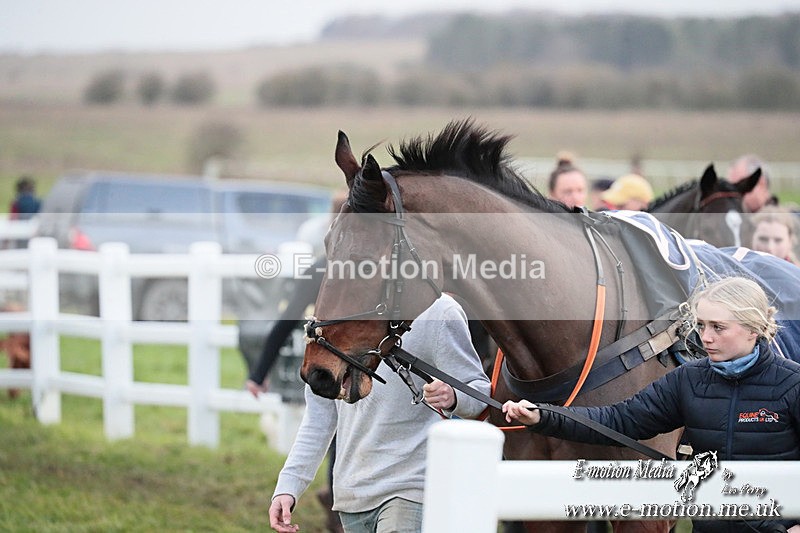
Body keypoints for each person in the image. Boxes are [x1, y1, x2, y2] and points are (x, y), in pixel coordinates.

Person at [502, 277, 800, 533]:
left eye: (718, 327)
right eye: (701, 325)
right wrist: (544, 416)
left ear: (753, 329)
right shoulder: (688, 379)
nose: (705, 337)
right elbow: (619, 421)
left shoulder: (793, 384)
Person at [268, 294, 491, 533]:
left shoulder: (439, 312)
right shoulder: (331, 314)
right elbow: (318, 420)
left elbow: (479, 393)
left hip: (412, 488)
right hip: (352, 495)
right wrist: (288, 486)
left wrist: (454, 397)